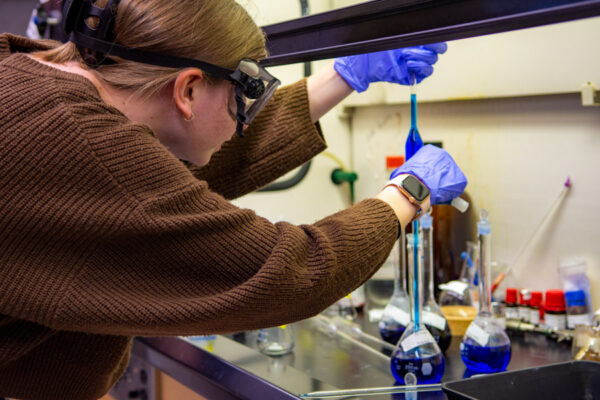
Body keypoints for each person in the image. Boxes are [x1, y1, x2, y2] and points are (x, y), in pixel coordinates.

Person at [0, 0, 466, 399]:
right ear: (187, 90)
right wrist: (407, 193)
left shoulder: (33, 79)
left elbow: (168, 170)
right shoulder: (78, 140)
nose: (242, 122)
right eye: (241, 100)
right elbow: (288, 271)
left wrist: (346, 75)